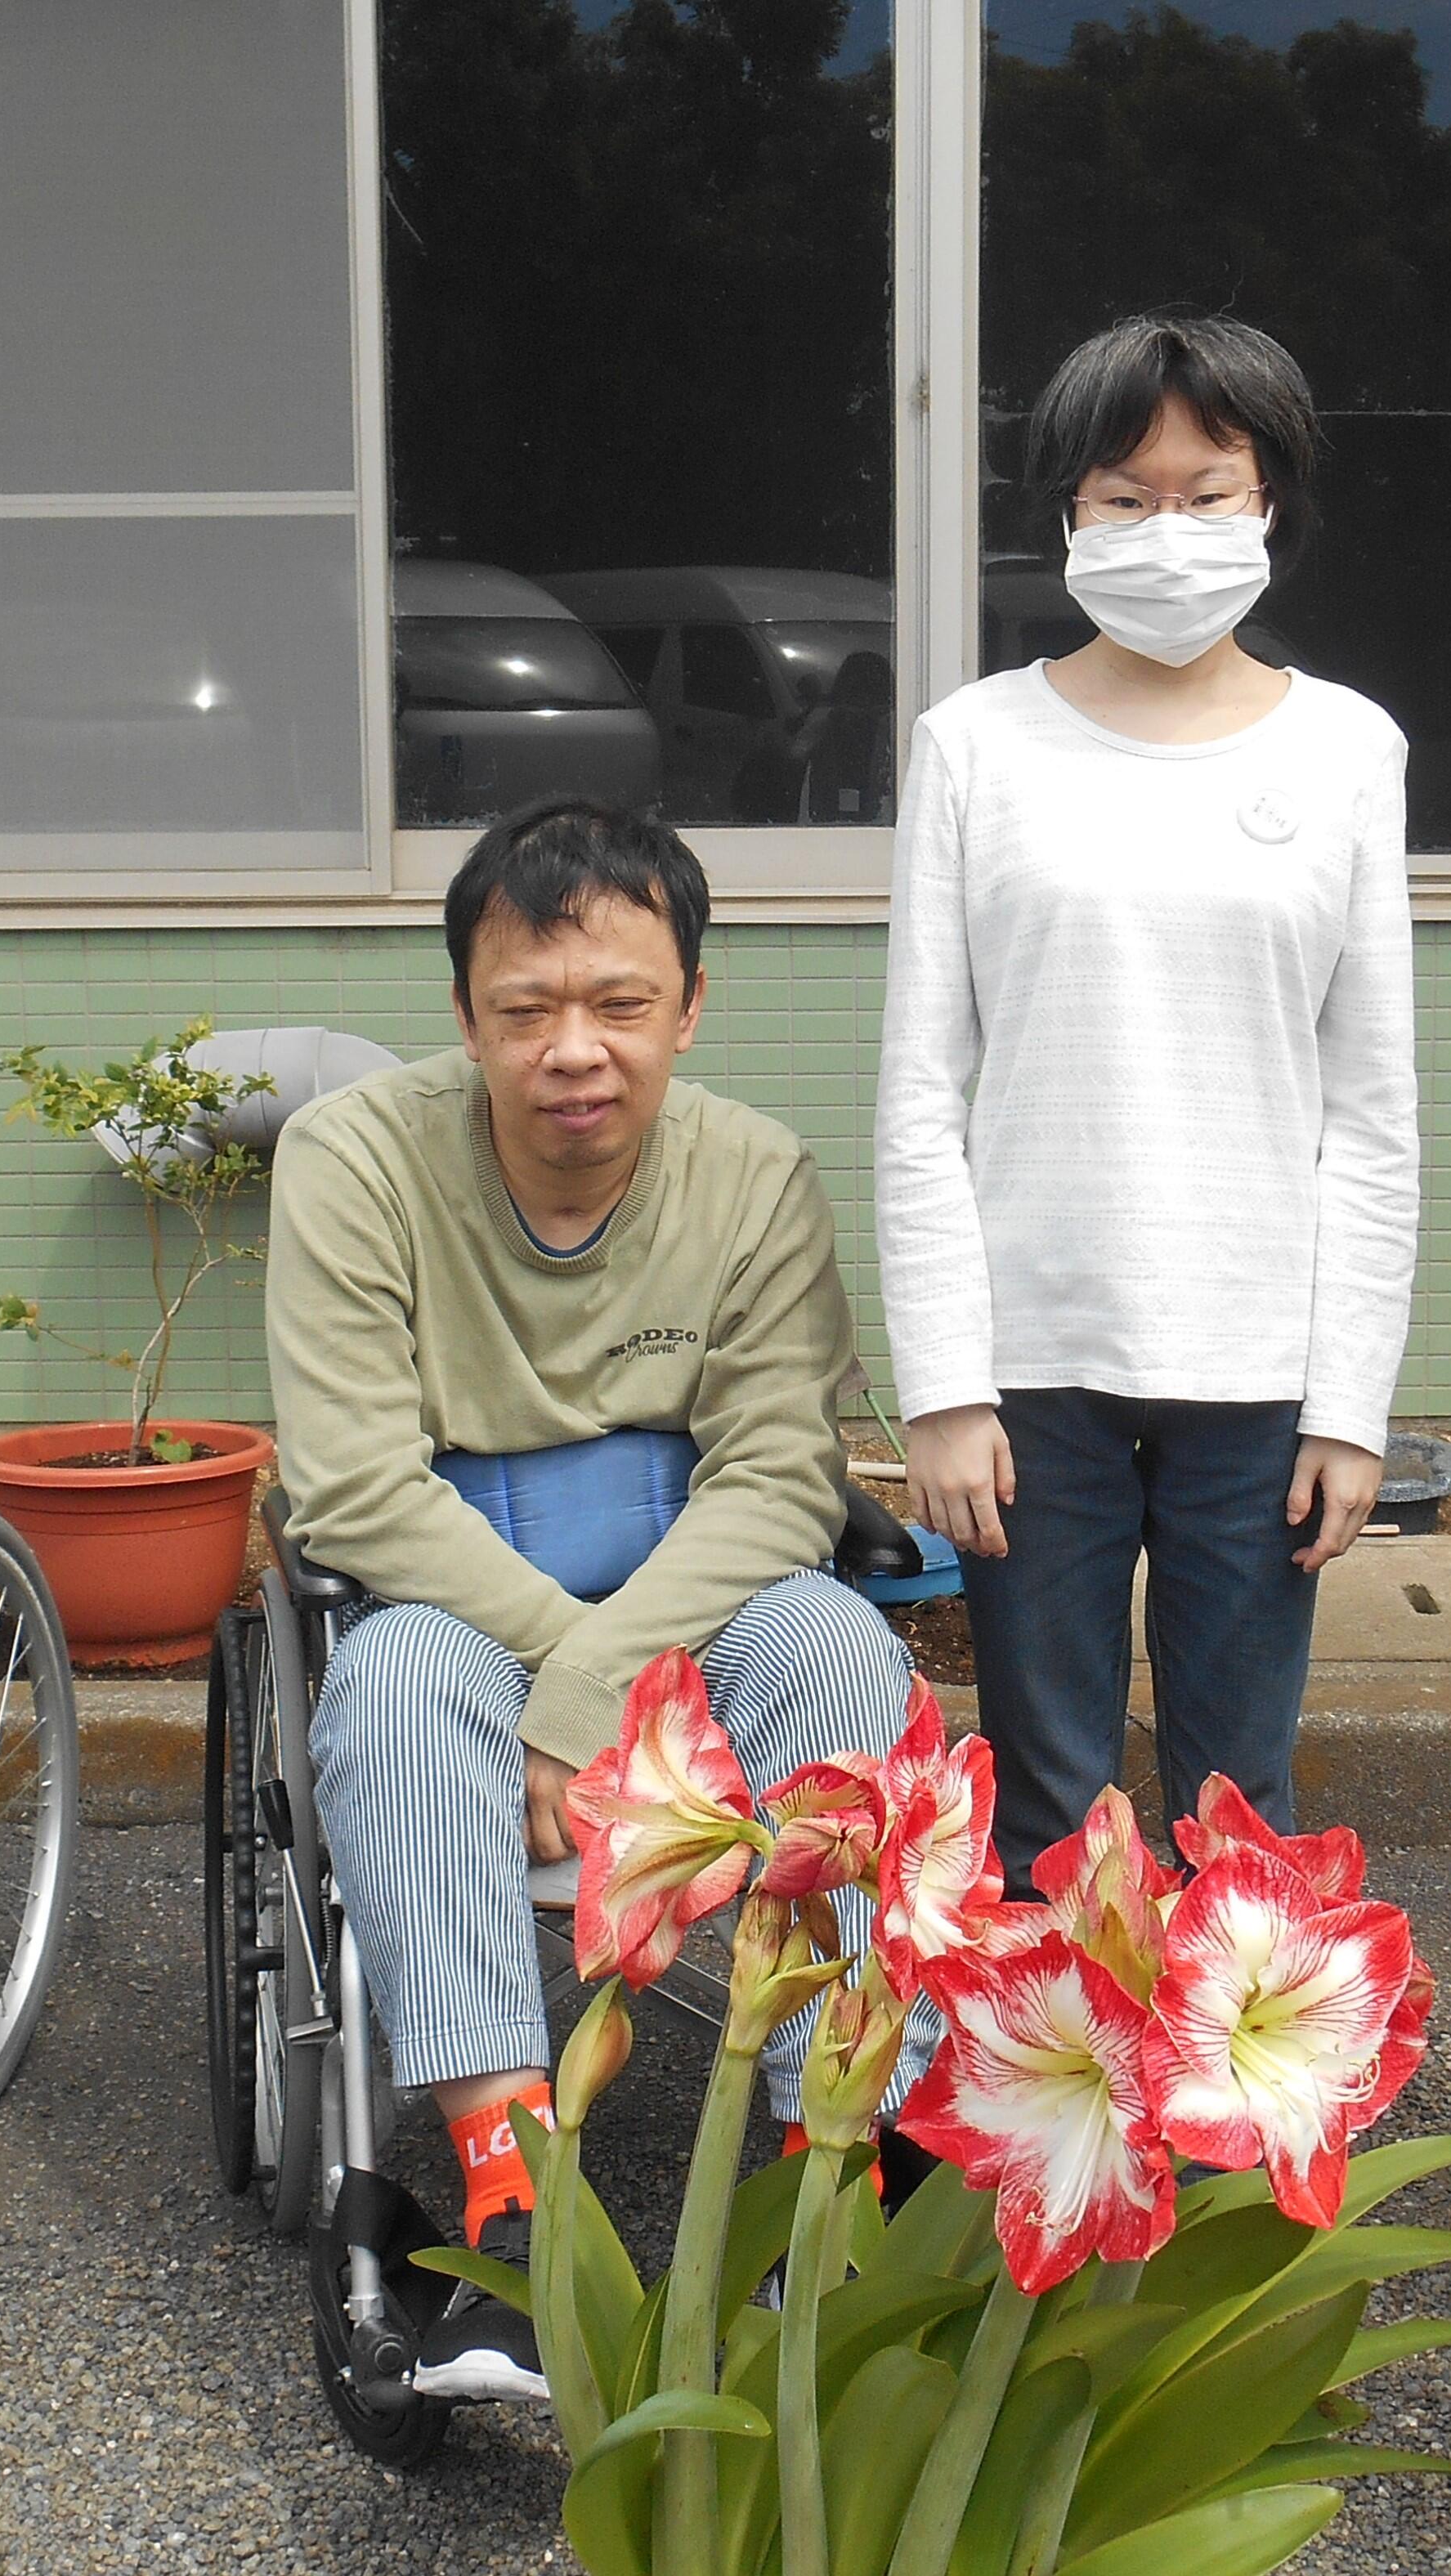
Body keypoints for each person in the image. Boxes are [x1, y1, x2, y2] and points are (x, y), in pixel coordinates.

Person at [266, 796, 914, 2400]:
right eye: (526, 1007)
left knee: (843, 1637)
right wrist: (586, 1691)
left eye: (621, 1003)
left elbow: (774, 1482)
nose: (576, 1048)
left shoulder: (755, 1175)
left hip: (696, 1599)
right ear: (466, 1014)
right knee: (397, 1683)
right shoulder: (352, 1161)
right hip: (450, 1600)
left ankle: (831, 2191)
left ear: (690, 1005)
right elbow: (353, 1488)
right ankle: (514, 2198)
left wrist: (590, 1699)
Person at [875, 310, 1417, 1881]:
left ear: (1273, 509)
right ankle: (1059, 2129)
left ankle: (1223, 2134)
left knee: (1239, 1813)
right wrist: (944, 1387)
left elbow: (1374, 1114)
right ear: (1065, 512)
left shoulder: (1348, 751)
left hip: (1259, 1369)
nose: (1164, 527)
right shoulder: (974, 745)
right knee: (1045, 1806)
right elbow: (922, 1090)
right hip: (1030, 1368)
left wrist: (1351, 1402)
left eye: (1207, 488)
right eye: (1124, 493)